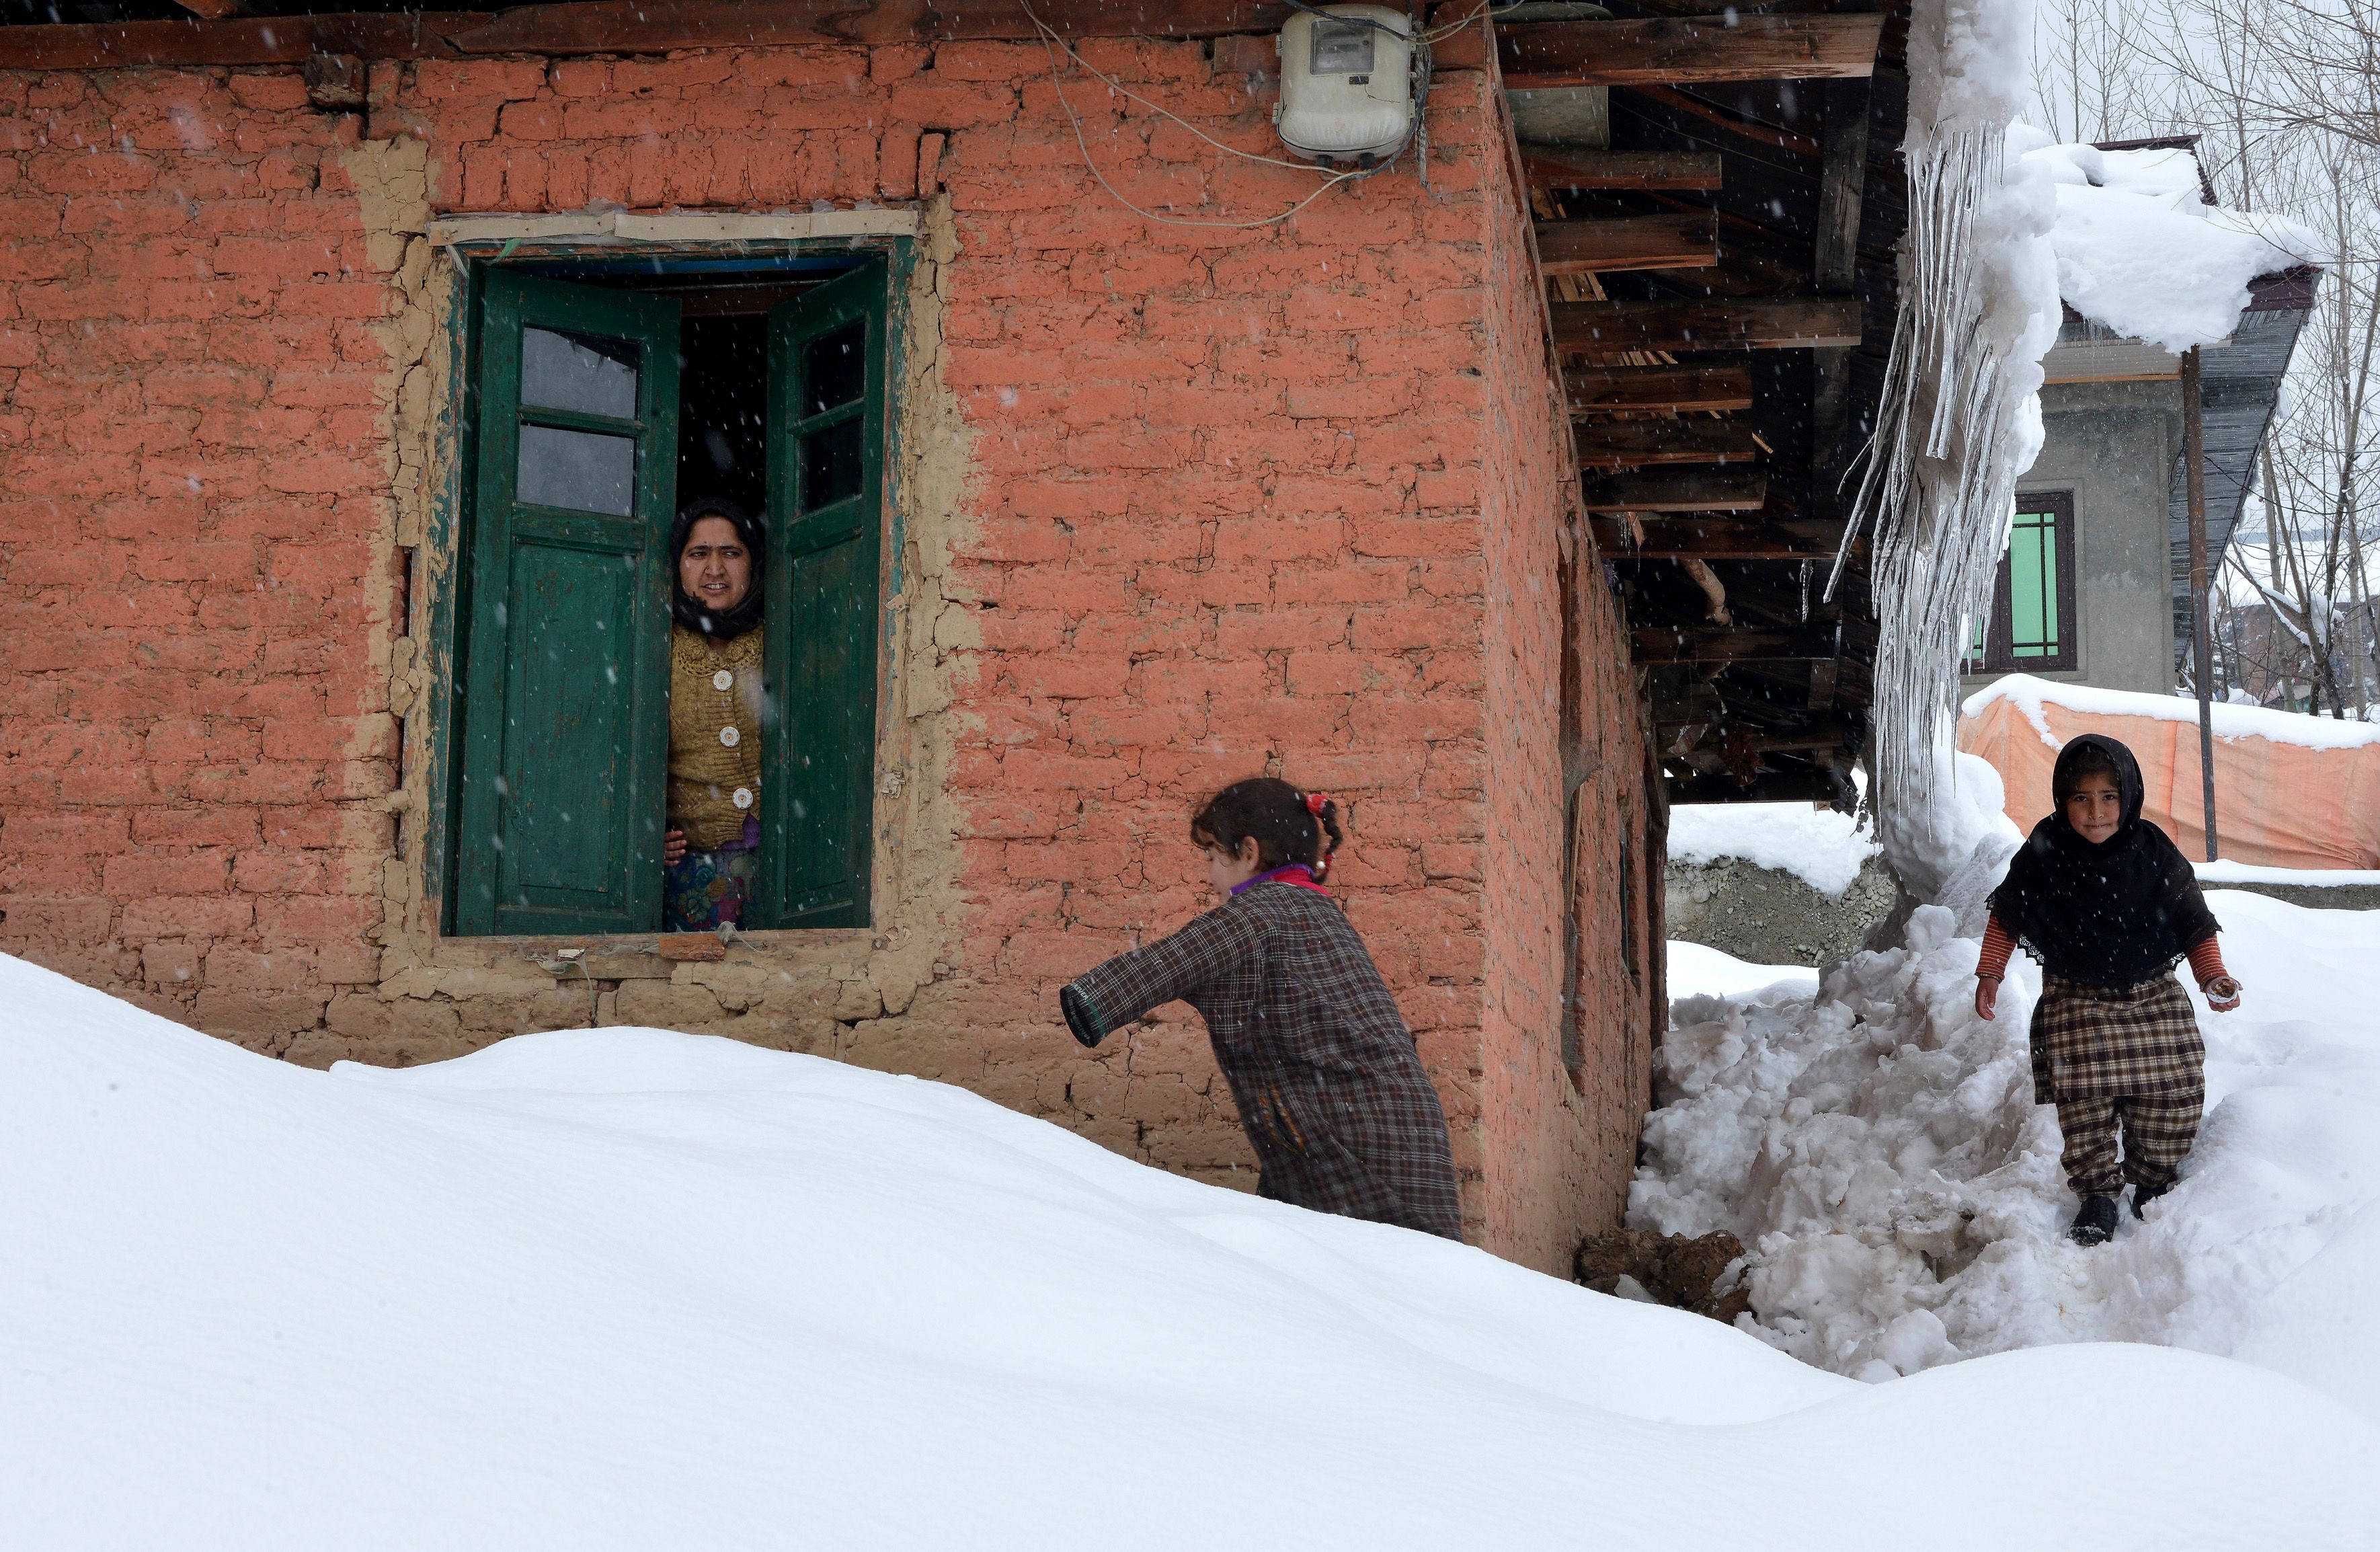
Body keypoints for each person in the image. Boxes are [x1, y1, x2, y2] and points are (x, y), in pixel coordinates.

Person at [1058, 778, 1464, 1240]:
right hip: (1396, 1134)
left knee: (1363, 1273)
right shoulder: (1315, 910)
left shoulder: (1259, 915)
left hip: (1352, 1141)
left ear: (1248, 853)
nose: (1210, 875)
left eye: (1213, 856)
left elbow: (1172, 962)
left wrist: (1092, 1002)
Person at [1973, 734, 2243, 1246]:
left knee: (2174, 1090)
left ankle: (2153, 1178)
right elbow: (2007, 914)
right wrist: (1990, 972)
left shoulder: (2153, 851)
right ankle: (2097, 1193)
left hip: (2151, 992)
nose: (2095, 812)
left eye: (2108, 797)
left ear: (2130, 797)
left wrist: (2213, 976)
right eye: (2080, 798)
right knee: (2085, 1105)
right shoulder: (2045, 851)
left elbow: (2193, 919)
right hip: (2076, 996)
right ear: (2062, 800)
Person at [662, 498, 768, 932]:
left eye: (731, 553)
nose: (715, 570)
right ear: (678, 565)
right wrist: (644, 832)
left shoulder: (785, 636)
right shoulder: (655, 645)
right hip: (690, 880)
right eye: (698, 554)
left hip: (787, 875)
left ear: (753, 563)